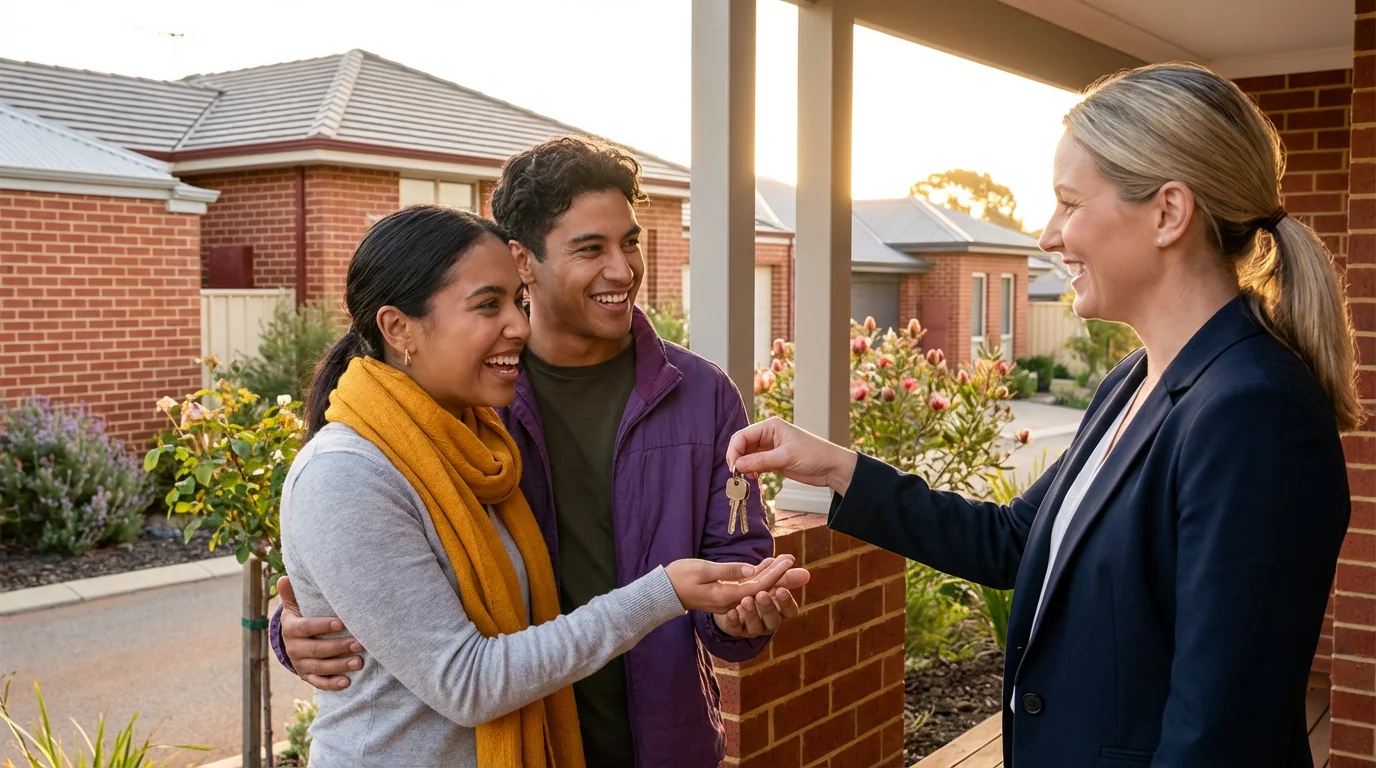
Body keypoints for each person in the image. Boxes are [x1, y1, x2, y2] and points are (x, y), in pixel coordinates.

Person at [728, 62, 1356, 767]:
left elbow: (1218, 734)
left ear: (1169, 213)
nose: (1047, 233)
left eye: (1068, 203)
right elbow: (1016, 540)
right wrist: (836, 465)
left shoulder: (1254, 413)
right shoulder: (1138, 378)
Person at [273, 138, 794, 767]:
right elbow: (396, 582)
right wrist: (297, 631)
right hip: (525, 739)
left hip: (661, 743)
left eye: (629, 242)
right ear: (524, 260)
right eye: (589, 249)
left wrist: (741, 615)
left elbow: (735, 555)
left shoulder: (701, 395)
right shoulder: (473, 406)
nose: (623, 270)